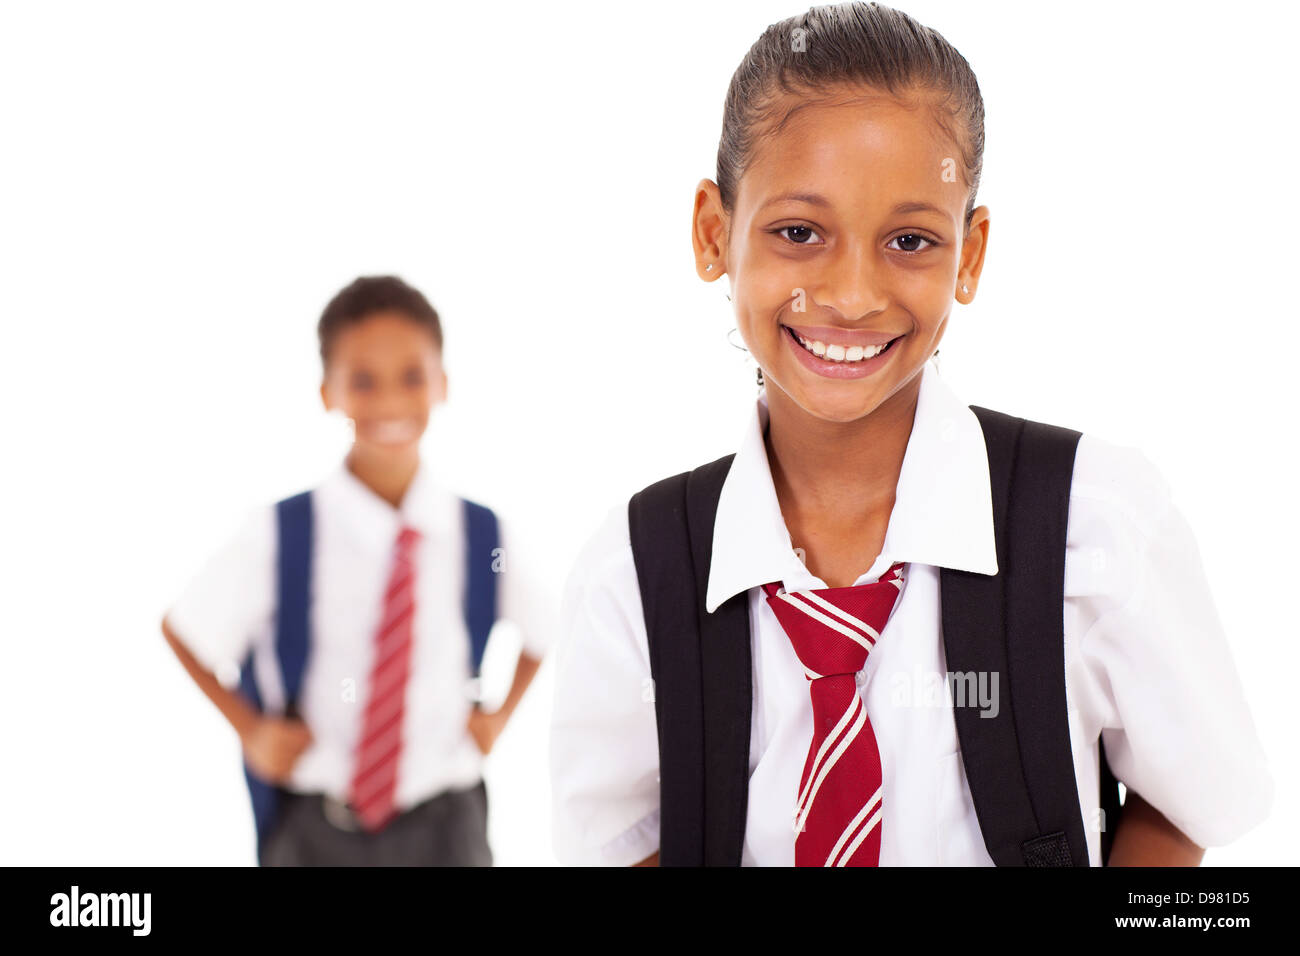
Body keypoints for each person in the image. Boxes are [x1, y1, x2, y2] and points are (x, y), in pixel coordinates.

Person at [548, 2, 1273, 866]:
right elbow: (619, 841)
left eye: (910, 239)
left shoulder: (1092, 520)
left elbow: (1192, 795)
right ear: (714, 233)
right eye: (798, 231)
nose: (851, 295)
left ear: (969, 255)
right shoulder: (639, 569)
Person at [163, 275, 554, 865]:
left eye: (412, 376)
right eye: (363, 381)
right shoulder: (281, 531)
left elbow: (542, 630)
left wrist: (498, 716)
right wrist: (251, 733)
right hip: (316, 829)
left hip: (447, 826)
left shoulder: (481, 533)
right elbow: (186, 629)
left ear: (443, 383)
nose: (390, 401)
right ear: (328, 392)